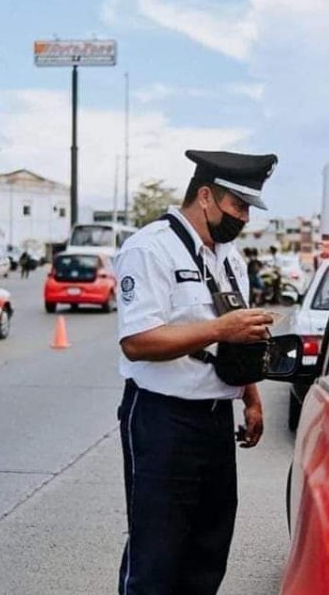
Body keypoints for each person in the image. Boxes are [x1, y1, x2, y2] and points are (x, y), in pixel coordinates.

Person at [113, 149, 278, 595]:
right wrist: (219, 328)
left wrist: (251, 396)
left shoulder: (230, 258)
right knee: (156, 553)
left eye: (248, 209)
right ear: (205, 196)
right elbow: (138, 341)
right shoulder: (150, 249)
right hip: (162, 418)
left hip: (214, 419)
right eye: (237, 206)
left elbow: (236, 337)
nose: (244, 218)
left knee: (208, 550)